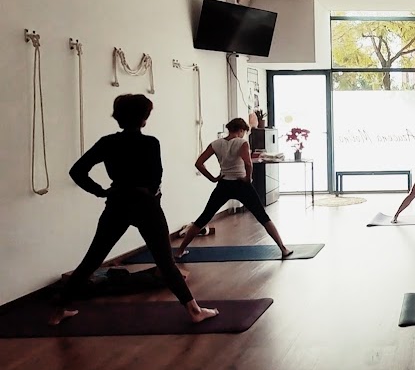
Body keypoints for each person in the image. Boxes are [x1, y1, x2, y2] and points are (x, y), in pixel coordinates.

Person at [52, 94, 218, 325]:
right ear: (143, 119)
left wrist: (101, 191)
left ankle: (58, 312)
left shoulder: (107, 142)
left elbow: (77, 171)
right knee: (165, 262)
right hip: (145, 206)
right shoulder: (150, 143)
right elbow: (155, 179)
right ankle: (195, 311)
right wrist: (150, 194)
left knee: (92, 260)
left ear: (118, 117)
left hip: (117, 202)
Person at [176, 118, 292, 258]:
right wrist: (248, 178)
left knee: (204, 217)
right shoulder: (242, 142)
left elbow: (199, 163)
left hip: (224, 184)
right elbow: (248, 164)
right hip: (241, 184)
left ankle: (180, 251)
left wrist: (213, 178)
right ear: (241, 130)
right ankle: (283, 249)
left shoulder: (216, 144)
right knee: (263, 217)